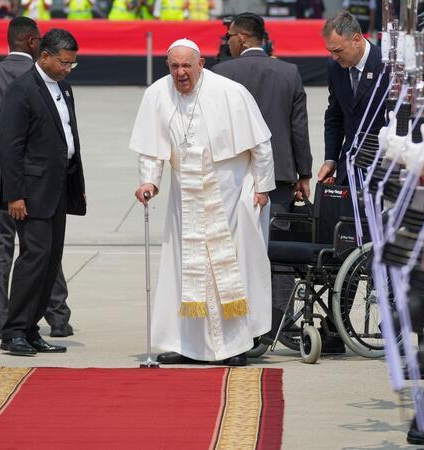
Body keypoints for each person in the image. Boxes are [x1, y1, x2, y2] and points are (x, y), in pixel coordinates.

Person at [130, 38, 275, 367]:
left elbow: (261, 145)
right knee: (186, 267)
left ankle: (234, 346)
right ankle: (187, 345)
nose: (180, 72)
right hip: (185, 195)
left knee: (229, 267)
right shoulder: (157, 94)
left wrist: (262, 187)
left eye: (186, 65)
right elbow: (151, 150)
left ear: (201, 64)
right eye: (174, 66)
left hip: (229, 191)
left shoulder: (230, 93)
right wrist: (150, 181)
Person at [0, 18, 75, 341]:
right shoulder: (41, 78)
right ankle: (57, 315)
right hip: (36, 175)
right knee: (41, 247)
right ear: (32, 42)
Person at [212, 13, 312, 348]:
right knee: (277, 252)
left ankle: (238, 321)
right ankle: (277, 322)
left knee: (236, 250)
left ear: (241, 38)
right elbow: (298, 128)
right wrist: (304, 174)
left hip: (234, 176)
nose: (227, 42)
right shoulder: (289, 72)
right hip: (278, 177)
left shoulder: (221, 73)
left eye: (229, 36)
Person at [0, 29, 87, 356]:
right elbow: (10, 146)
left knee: (50, 261)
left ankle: (31, 327)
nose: (68, 69)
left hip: (58, 187)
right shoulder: (22, 89)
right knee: (33, 259)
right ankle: (14, 331)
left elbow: (68, 137)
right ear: (45, 56)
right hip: (31, 193)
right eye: (64, 62)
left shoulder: (63, 87)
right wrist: (15, 194)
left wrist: (77, 185)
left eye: (72, 64)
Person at [319, 11, 387, 186]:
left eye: (338, 51)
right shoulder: (334, 66)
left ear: (356, 39)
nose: (334, 57)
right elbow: (335, 115)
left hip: (382, 169)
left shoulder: (386, 65)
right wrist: (330, 159)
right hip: (348, 168)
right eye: (330, 52)